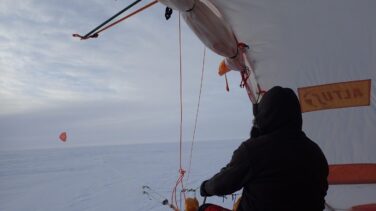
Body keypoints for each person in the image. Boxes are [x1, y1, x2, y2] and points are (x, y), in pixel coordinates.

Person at [200, 86, 329, 211]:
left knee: (204, 209)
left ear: (264, 114)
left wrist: (206, 188)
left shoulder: (252, 150)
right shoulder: (315, 152)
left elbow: (221, 185)